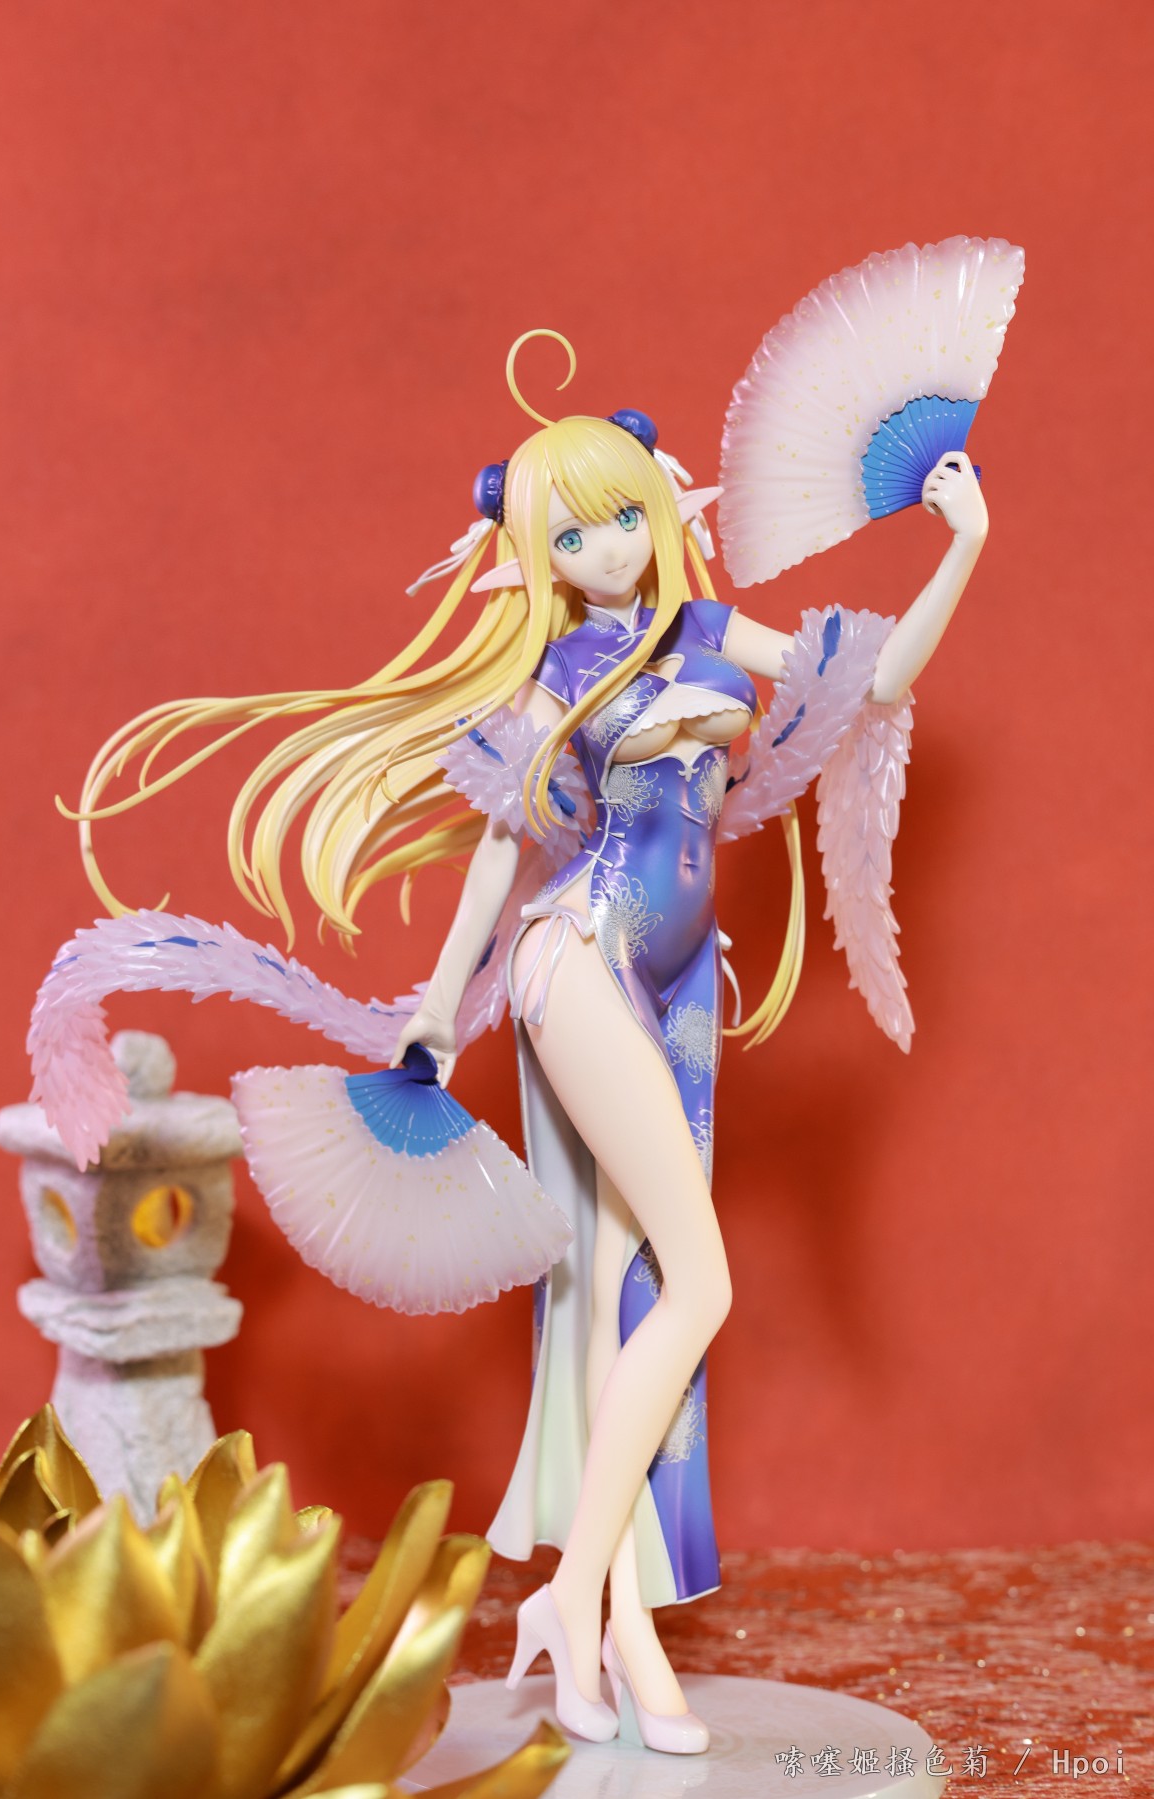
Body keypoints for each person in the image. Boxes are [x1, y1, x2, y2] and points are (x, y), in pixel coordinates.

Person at [56, 329, 989, 1754]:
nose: (609, 549)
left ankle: (615, 1629)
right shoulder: (561, 669)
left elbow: (868, 682)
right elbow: (505, 845)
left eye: (625, 517)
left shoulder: (708, 629)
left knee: (621, 1295)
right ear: (537, 555)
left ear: (659, 507)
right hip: (585, 959)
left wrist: (961, 545)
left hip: (681, 989)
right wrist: (441, 1002)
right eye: (573, 535)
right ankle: (571, 1596)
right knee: (701, 1282)